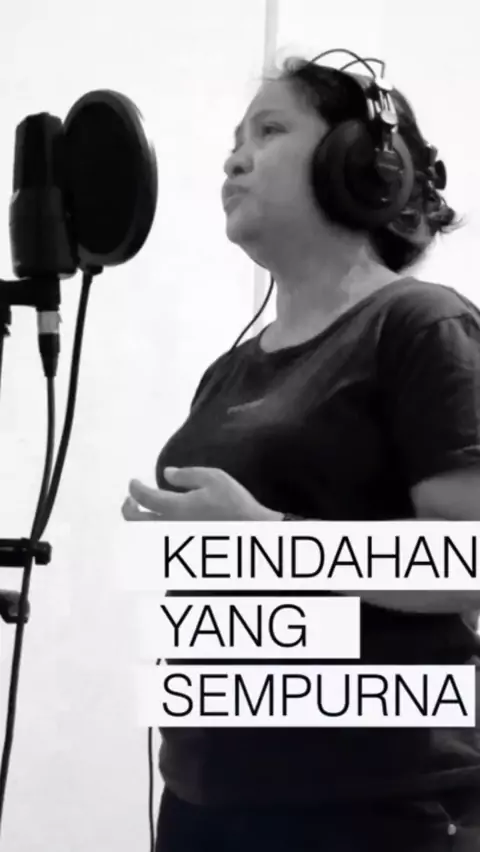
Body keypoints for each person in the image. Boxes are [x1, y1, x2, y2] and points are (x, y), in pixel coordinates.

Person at [122, 54, 480, 851]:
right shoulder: (229, 370)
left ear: (360, 164)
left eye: (269, 130)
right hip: (209, 799)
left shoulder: (422, 325)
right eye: (234, 141)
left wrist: (268, 541)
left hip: (374, 806)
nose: (234, 159)